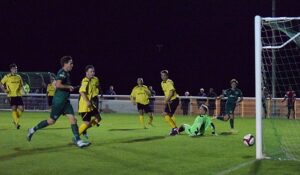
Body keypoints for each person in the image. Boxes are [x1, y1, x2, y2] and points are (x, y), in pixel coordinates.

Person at [27, 56, 90, 148]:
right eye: (71, 63)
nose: (72, 65)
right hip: (59, 102)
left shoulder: (66, 74)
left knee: (73, 119)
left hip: (65, 102)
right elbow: (58, 84)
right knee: (51, 121)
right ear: (65, 64)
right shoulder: (62, 72)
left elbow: (55, 84)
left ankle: (78, 141)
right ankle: (33, 129)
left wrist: (68, 87)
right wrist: (68, 87)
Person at [78, 65, 102, 139]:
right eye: (91, 71)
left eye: (93, 71)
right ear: (86, 73)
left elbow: (97, 86)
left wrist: (100, 91)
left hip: (92, 104)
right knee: (87, 123)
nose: (93, 73)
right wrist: (87, 101)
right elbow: (82, 92)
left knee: (98, 119)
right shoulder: (85, 80)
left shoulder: (95, 79)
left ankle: (84, 129)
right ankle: (76, 137)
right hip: (85, 105)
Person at [0, 63, 25, 129]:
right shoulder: (7, 76)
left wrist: (23, 91)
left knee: (22, 109)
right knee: (14, 108)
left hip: (18, 95)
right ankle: (16, 123)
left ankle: (15, 120)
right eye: (14, 69)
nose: (15, 70)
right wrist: (5, 90)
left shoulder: (19, 77)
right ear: (11, 69)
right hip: (11, 95)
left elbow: (21, 85)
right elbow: (1, 84)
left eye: (16, 68)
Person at [160, 70, 179, 136]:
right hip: (170, 100)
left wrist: (166, 100)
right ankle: (175, 129)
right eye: (162, 75)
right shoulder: (162, 83)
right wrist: (167, 100)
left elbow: (171, 92)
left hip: (173, 100)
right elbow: (166, 93)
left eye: (164, 75)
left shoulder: (169, 82)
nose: (163, 77)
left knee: (165, 114)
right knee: (170, 115)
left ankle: (175, 128)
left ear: (167, 76)